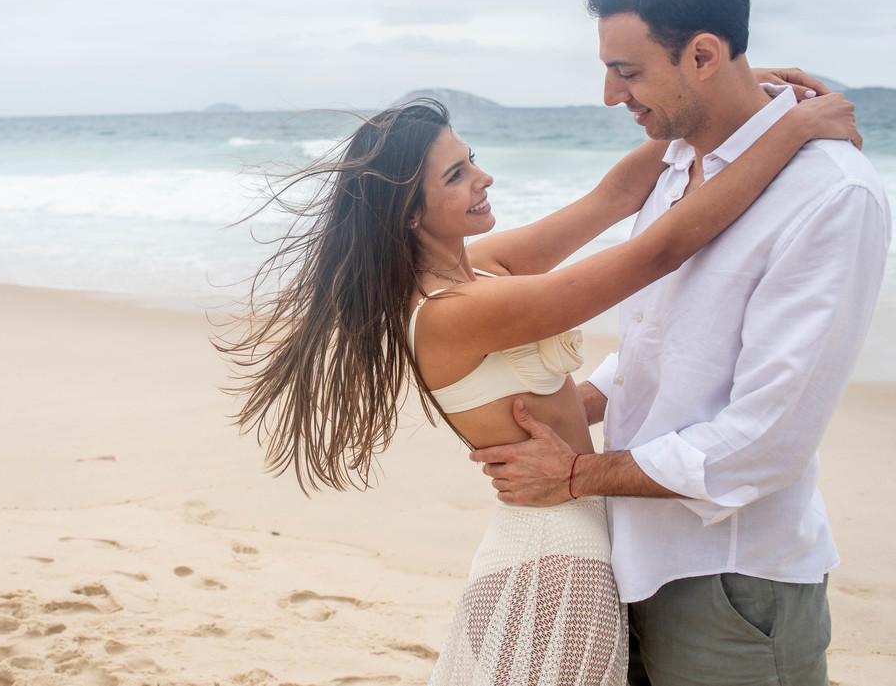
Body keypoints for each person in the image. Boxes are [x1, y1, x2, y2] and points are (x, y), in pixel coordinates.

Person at [219, 84, 859, 681]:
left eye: (472, 159)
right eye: (456, 175)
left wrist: (741, 97)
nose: (482, 178)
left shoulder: (480, 270)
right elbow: (659, 251)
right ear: (408, 216)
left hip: (559, 541)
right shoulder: (453, 312)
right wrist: (794, 129)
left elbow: (612, 200)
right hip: (560, 555)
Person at [471, 0, 891, 686]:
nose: (609, 96)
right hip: (630, 551)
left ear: (702, 55)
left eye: (627, 72)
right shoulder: (672, 164)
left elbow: (763, 441)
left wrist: (573, 473)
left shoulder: (831, 193)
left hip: (730, 580)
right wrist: (582, 403)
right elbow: (666, 341)